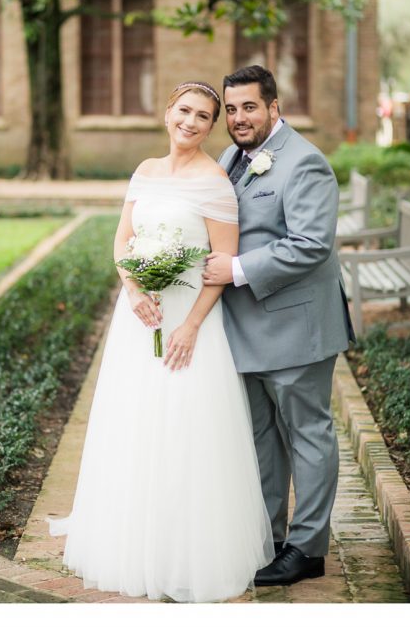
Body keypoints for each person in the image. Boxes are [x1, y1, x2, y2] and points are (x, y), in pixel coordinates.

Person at [48, 81, 274, 602]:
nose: (191, 122)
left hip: (188, 325)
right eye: (184, 111)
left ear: (210, 127)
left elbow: (219, 267)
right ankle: (133, 539)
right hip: (140, 321)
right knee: (135, 423)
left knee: (186, 428)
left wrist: (191, 325)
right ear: (167, 112)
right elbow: (123, 239)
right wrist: (132, 289)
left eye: (203, 117)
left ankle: (184, 548)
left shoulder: (216, 182)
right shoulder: (144, 172)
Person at [203, 65, 355, 586]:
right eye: (231, 109)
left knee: (307, 434)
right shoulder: (231, 157)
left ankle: (307, 548)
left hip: (296, 330)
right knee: (260, 438)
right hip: (243, 328)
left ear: (273, 107)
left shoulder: (305, 162)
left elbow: (311, 245)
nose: (239, 118)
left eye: (249, 107)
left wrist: (237, 269)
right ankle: (267, 537)